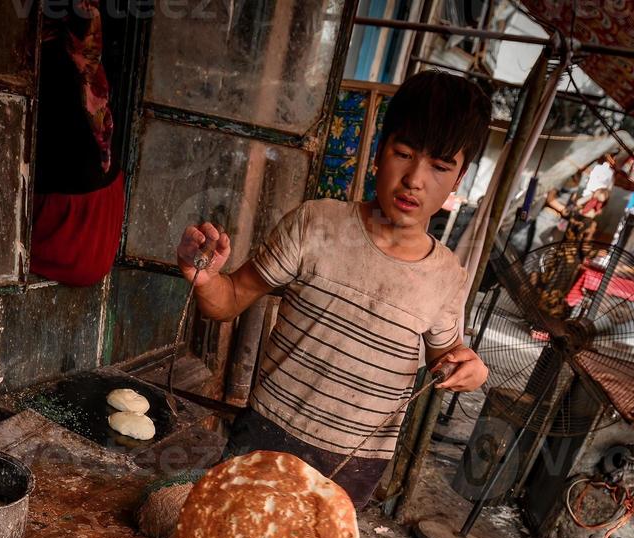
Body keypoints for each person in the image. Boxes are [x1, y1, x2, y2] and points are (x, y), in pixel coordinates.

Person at [175, 71, 491, 506]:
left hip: (354, 463)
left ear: (459, 179)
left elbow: (446, 358)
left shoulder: (447, 276)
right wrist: (205, 278)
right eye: (404, 153)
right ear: (381, 150)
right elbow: (228, 301)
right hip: (267, 430)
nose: (415, 179)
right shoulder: (316, 223)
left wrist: (469, 368)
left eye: (439, 167)